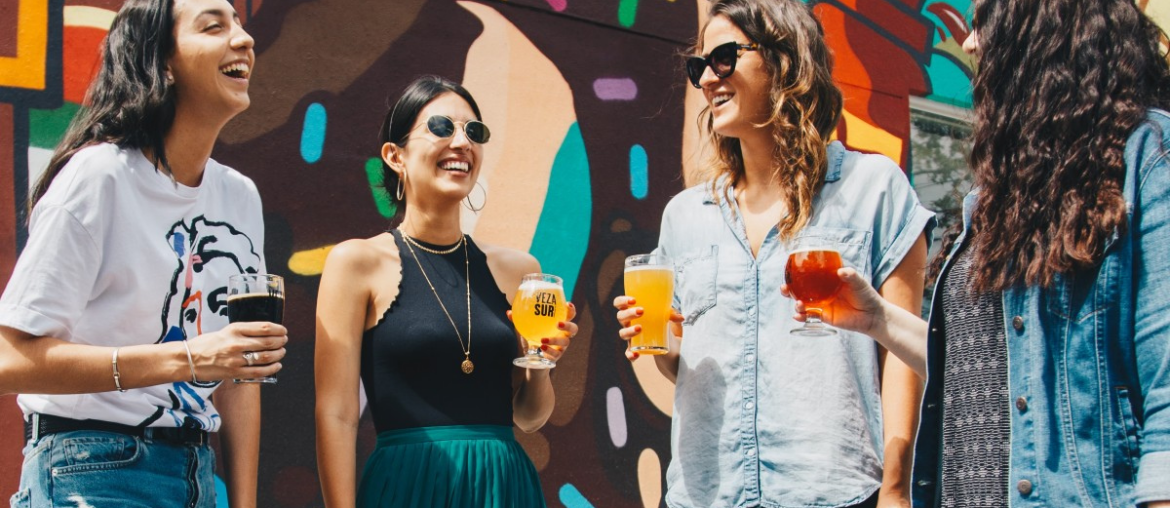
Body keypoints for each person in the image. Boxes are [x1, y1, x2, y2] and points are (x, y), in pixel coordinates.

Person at [784, 0, 1170, 506]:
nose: (969, 44)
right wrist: (878, 319)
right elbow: (977, 368)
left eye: (983, 23)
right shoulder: (997, 197)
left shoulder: (1147, 157)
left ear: (1045, 27)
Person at [613, 0, 935, 506]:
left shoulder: (873, 189)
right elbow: (688, 366)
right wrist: (659, 347)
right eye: (699, 67)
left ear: (786, 59)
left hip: (831, 493)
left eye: (724, 58)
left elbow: (904, 353)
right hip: (706, 494)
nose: (707, 80)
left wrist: (896, 488)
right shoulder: (685, 215)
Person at [0, 0, 287, 506]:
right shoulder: (99, 178)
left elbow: (239, 378)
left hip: (196, 474)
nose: (244, 39)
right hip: (89, 468)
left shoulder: (239, 197)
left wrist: (243, 503)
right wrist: (186, 358)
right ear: (164, 63)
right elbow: (9, 358)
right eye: (214, 26)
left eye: (239, 25)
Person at [314, 75, 575, 508]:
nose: (462, 142)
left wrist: (543, 362)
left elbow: (530, 417)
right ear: (395, 156)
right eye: (441, 128)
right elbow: (336, 416)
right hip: (407, 486)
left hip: (503, 487)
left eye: (474, 132)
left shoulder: (522, 271)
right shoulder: (355, 263)